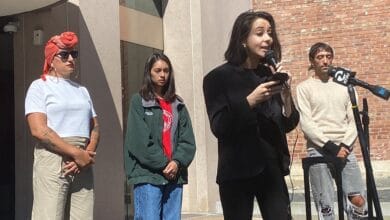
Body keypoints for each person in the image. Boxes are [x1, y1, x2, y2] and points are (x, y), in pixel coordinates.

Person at [203, 10, 299, 220]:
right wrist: (250, 101)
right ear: (243, 39)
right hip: (237, 172)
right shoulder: (217, 78)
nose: (268, 39)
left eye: (270, 33)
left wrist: (287, 95)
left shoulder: (269, 75)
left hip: (272, 171)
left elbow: (288, 123)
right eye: (260, 33)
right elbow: (219, 126)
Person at [25, 31, 99, 220]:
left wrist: (86, 154)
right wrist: (76, 154)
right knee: (49, 215)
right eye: (64, 55)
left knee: (83, 216)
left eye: (73, 54)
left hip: (82, 161)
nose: (70, 59)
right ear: (51, 58)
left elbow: (95, 127)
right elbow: (39, 130)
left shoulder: (82, 90)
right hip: (53, 156)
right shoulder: (39, 87)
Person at [296, 42, 368, 219]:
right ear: (312, 61)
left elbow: (353, 121)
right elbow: (307, 123)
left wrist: (343, 146)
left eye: (328, 56)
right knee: (325, 204)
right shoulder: (304, 88)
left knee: (357, 201)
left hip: (345, 150)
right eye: (320, 57)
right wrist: (331, 148)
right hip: (318, 151)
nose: (325, 61)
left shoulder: (345, 86)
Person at [124, 52, 196, 220]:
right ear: (149, 73)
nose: (163, 75)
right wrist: (164, 164)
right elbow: (139, 142)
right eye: (158, 70)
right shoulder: (139, 102)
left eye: (166, 70)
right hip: (148, 175)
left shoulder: (178, 104)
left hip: (174, 176)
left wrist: (177, 162)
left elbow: (188, 141)